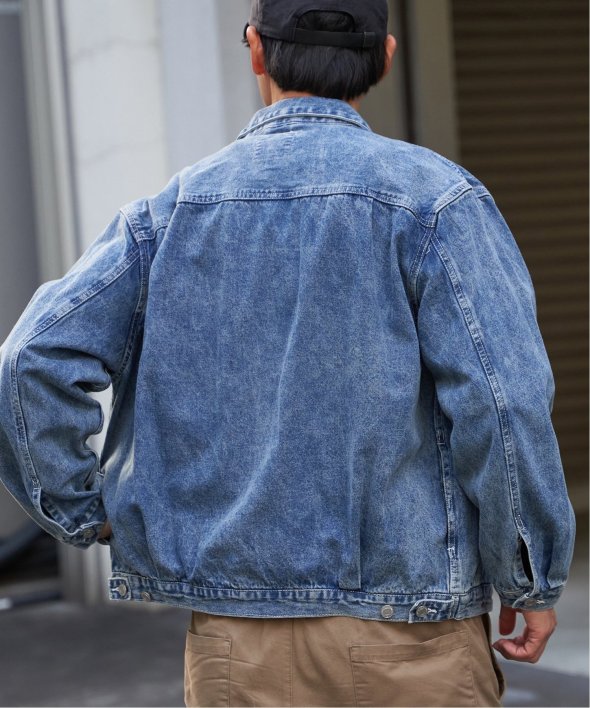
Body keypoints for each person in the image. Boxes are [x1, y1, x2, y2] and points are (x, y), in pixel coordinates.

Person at [0, 0, 576, 706]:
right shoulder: (438, 203)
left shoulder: (168, 214)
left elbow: (29, 360)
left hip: (236, 645)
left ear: (255, 50)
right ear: (385, 56)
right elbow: (502, 403)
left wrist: (86, 510)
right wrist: (527, 574)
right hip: (411, 630)